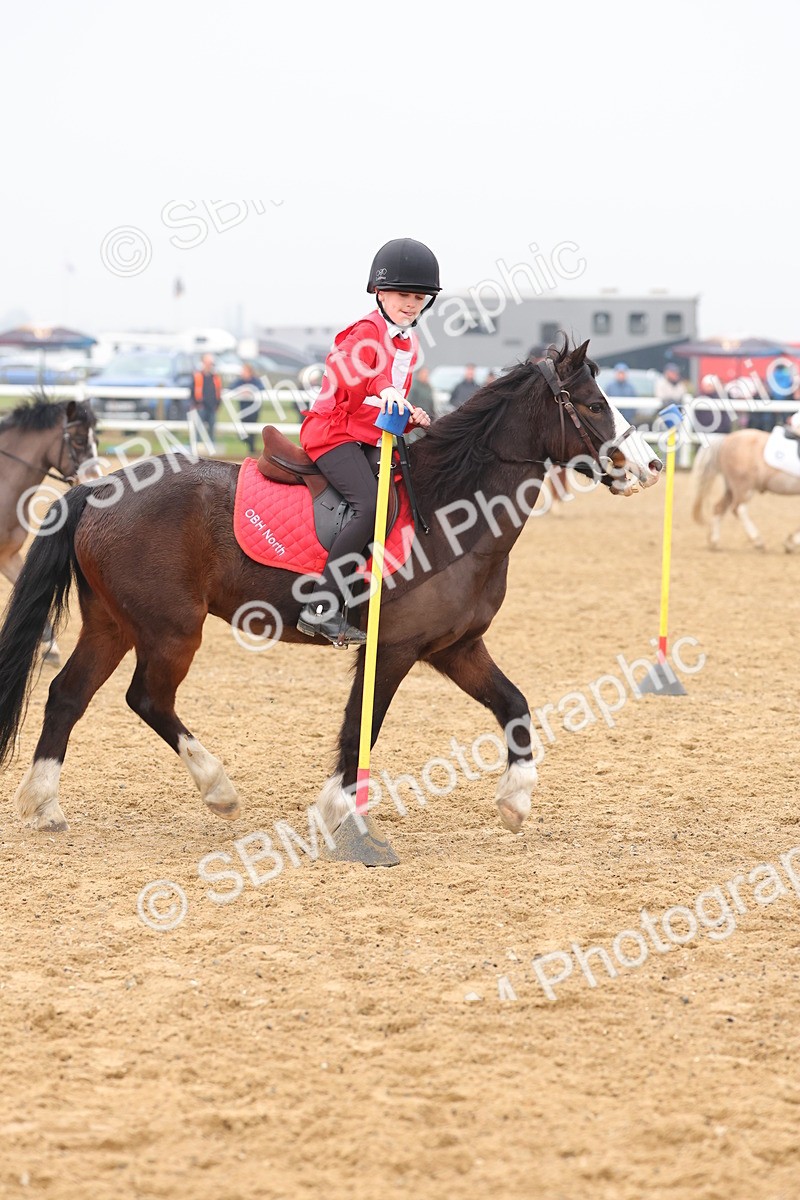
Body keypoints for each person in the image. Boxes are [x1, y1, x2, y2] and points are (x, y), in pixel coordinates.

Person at [296, 238, 439, 645]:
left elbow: (387, 400)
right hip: (331, 431)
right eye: (402, 295)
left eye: (418, 296)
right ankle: (319, 606)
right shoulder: (365, 330)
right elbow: (355, 374)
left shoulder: (408, 343)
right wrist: (386, 388)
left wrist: (410, 415)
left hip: (367, 433)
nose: (411, 304)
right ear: (380, 292)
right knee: (371, 504)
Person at [229, 362, 265, 454]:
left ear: (249, 372)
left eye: (244, 371)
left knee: (252, 430)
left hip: (254, 410)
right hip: (243, 410)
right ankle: (251, 446)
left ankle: (252, 450)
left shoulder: (255, 381)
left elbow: (262, 388)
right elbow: (231, 387)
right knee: (240, 432)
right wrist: (241, 390)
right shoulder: (240, 381)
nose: (242, 373)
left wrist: (251, 390)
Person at [190, 353, 222, 446]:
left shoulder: (215, 377)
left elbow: (219, 392)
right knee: (199, 429)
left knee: (212, 429)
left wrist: (218, 404)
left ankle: (212, 449)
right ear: (203, 363)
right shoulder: (197, 376)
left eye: (210, 363)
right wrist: (195, 404)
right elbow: (192, 391)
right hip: (201, 406)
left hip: (212, 407)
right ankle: (197, 448)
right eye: (207, 362)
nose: (209, 365)